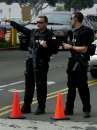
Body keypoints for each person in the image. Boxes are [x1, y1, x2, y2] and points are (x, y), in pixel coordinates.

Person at [7, 16, 58, 115]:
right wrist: (12, 22)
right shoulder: (33, 32)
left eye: (41, 22)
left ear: (46, 23)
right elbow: (22, 29)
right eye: (37, 22)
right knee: (29, 84)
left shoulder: (50, 35)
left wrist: (47, 46)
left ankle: (41, 107)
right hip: (30, 61)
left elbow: (55, 50)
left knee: (40, 85)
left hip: (41, 62)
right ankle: (27, 106)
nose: (38, 24)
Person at [62, 12, 94, 118]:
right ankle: (68, 109)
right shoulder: (71, 32)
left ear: (76, 19)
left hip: (81, 62)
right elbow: (69, 44)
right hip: (72, 61)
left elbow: (84, 49)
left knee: (82, 87)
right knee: (70, 87)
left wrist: (70, 47)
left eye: (71, 18)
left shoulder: (86, 31)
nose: (70, 20)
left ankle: (86, 109)